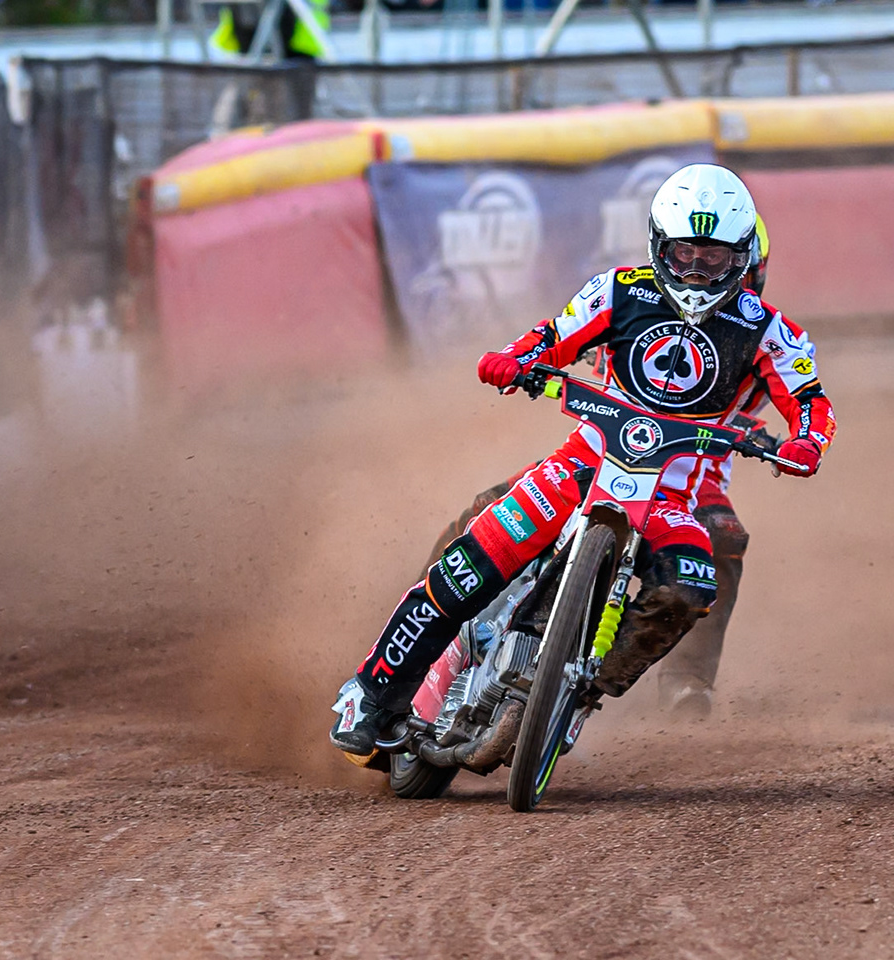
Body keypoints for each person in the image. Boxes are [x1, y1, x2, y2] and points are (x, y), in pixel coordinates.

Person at [329, 165, 833, 758]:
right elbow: (551, 335)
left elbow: (810, 401)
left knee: (695, 584)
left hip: (674, 498)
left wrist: (807, 442)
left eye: (715, 258)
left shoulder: (772, 332)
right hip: (578, 470)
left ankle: (582, 692)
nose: (697, 270)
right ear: (657, 245)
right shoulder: (618, 290)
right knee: (467, 563)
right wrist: (515, 359)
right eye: (685, 253)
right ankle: (369, 695)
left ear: (742, 258)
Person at [417, 215, 775, 721]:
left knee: (724, 537)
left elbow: (794, 405)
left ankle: (685, 680)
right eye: (689, 261)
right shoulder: (638, 304)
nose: (700, 280)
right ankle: (430, 607)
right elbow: (571, 335)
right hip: (601, 450)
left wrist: (766, 438)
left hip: (689, 476)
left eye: (717, 263)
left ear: (746, 270)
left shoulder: (761, 340)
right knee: (491, 505)